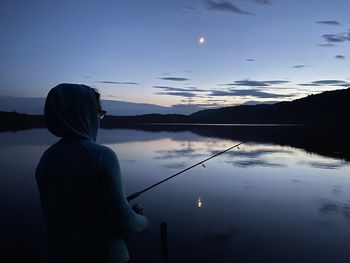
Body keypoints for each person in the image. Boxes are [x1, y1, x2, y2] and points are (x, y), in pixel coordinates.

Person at [36, 83, 148, 263]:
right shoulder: (102, 156)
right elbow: (126, 221)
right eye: (98, 113)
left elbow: (70, 212)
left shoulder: (47, 157)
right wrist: (142, 221)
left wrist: (112, 205)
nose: (99, 120)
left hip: (55, 254)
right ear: (84, 114)